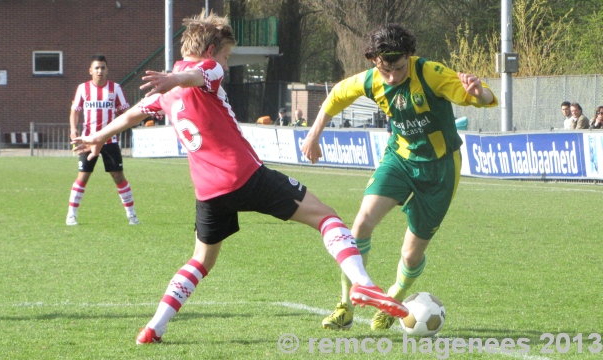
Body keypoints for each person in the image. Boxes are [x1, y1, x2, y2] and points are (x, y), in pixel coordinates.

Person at [71, 11, 408, 345]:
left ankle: (154, 328)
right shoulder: (205, 71)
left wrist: (99, 135)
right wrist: (177, 80)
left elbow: (134, 113)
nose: (226, 62)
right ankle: (361, 282)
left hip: (208, 192)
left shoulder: (165, 90)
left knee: (201, 260)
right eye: (227, 55)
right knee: (326, 217)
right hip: (245, 176)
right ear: (212, 49)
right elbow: (203, 72)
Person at [301, 23, 498, 331]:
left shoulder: (431, 73)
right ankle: (345, 304)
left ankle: (394, 297)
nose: (391, 77)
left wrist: (480, 92)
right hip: (399, 159)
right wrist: (314, 135)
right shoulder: (371, 80)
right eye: (384, 70)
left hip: (439, 170)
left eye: (398, 68)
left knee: (411, 253)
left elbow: (479, 97)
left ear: (409, 55)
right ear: (374, 62)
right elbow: (336, 96)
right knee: (361, 224)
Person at [65, 54, 139, 226]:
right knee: (83, 176)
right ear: (90, 70)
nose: (100, 71)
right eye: (96, 68)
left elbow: (125, 112)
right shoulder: (83, 88)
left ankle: (132, 215)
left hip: (110, 140)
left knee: (118, 176)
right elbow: (75, 110)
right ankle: (71, 215)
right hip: (88, 141)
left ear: (107, 70)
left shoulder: (116, 89)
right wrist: (73, 129)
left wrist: (120, 124)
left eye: (103, 67)